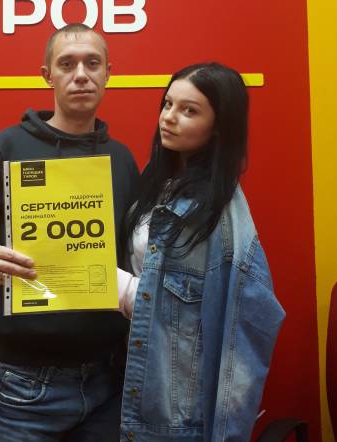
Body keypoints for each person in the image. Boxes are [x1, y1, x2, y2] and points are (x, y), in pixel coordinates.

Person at [0, 23, 139, 442]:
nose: (80, 75)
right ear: (48, 75)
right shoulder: (9, 147)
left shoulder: (121, 160)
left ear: (108, 73)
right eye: (67, 64)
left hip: (110, 379)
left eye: (92, 63)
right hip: (25, 385)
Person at [117, 63, 285, 442]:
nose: (169, 118)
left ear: (218, 127)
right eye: (167, 104)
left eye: (189, 110)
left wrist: (120, 289)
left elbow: (246, 322)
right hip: (134, 385)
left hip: (177, 412)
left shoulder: (217, 214)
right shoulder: (157, 182)